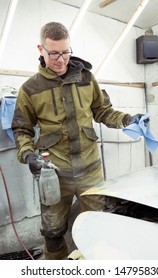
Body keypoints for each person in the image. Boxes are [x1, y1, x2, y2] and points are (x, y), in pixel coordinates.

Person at [12, 21, 144, 260]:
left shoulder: (86, 78)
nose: (61, 60)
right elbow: (22, 129)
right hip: (54, 175)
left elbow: (103, 111)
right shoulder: (30, 90)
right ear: (40, 49)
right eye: (53, 54)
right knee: (53, 232)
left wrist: (127, 120)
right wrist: (28, 155)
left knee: (97, 227)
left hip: (90, 171)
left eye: (65, 52)